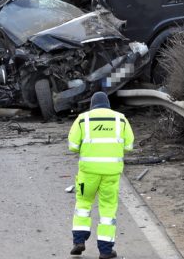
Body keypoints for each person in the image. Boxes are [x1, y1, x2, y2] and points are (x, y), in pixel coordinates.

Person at [67, 91, 134, 259]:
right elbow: (129, 146)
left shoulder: (83, 119)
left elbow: (73, 146)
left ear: (92, 105)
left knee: (82, 203)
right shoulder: (120, 119)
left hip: (86, 175)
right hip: (111, 175)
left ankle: (79, 241)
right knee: (108, 209)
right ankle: (105, 250)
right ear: (108, 105)